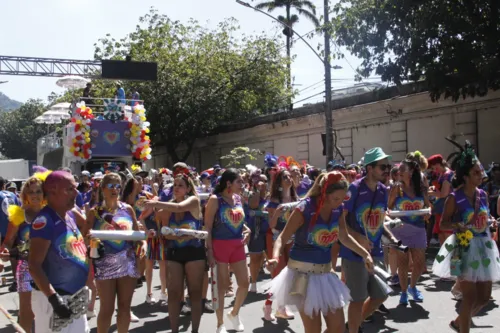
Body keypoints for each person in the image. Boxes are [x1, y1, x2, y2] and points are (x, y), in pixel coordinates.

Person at [267, 171, 374, 333]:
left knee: (337, 328)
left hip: (325, 274)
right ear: (324, 193)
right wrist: (275, 257)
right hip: (301, 276)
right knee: (313, 329)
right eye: (336, 198)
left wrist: (365, 254)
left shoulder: (338, 210)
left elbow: (344, 237)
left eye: (342, 198)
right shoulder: (304, 209)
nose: (339, 203)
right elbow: (281, 238)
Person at [432, 141, 500, 333]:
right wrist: (457, 225)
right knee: (468, 297)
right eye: (476, 173)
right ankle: (464, 328)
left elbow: (485, 216)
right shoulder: (455, 198)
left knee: (485, 297)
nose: (481, 176)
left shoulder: (483, 195)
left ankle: (459, 322)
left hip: (484, 248)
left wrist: (491, 220)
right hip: (462, 249)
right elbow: (443, 223)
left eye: (480, 172)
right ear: (466, 176)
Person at [340, 147, 397, 333]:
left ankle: (352, 325)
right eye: (383, 166)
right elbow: (341, 223)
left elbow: (379, 220)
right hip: (354, 252)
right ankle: (354, 329)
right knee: (357, 299)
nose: (387, 170)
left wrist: (392, 237)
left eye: (388, 166)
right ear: (370, 168)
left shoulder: (383, 190)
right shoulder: (354, 189)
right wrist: (359, 238)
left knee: (380, 295)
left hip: (377, 251)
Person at [144, 168, 205, 333]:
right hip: (174, 253)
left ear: (188, 188)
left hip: (194, 252)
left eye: (180, 185)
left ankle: (195, 330)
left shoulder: (193, 201)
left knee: (195, 292)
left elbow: (179, 208)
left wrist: (156, 203)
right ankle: (174, 330)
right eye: (174, 185)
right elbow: (165, 234)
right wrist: (178, 236)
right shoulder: (166, 210)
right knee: (173, 292)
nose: (176, 188)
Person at [28, 171, 89, 333]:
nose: (76, 193)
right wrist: (54, 299)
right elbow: (34, 265)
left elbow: (76, 245)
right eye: (69, 189)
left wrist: (93, 250)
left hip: (75, 297)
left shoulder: (69, 215)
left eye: (75, 188)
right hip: (55, 300)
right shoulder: (45, 220)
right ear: (53, 191)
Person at [86, 173, 143, 333]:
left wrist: (142, 244)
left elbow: (137, 236)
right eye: (111, 186)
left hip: (128, 262)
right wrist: (91, 240)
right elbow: (84, 238)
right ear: (103, 188)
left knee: (125, 307)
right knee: (107, 308)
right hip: (104, 264)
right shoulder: (95, 212)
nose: (115, 189)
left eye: (118, 186)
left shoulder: (128, 209)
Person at [205, 168, 251, 333]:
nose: (242, 184)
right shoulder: (214, 200)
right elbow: (208, 227)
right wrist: (209, 251)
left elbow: (238, 219)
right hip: (219, 246)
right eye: (239, 181)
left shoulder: (238, 198)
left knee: (245, 283)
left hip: (237, 245)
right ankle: (220, 323)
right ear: (228, 183)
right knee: (222, 286)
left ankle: (234, 313)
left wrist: (247, 230)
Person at [388, 158, 431, 305]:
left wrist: (427, 213)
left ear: (411, 172)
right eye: (399, 170)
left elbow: (428, 206)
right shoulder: (396, 188)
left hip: (418, 228)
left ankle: (413, 286)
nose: (399, 172)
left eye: (402, 169)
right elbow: (388, 207)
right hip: (401, 229)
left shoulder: (421, 187)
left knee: (419, 263)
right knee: (403, 263)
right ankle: (404, 291)